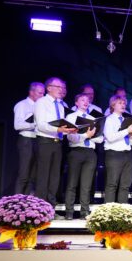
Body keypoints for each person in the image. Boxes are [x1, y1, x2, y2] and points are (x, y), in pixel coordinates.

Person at [34, 77, 77, 211]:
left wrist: (68, 130)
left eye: (62, 87)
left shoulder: (60, 105)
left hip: (57, 143)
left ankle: (51, 208)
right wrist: (58, 129)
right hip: (45, 142)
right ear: (49, 88)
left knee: (54, 177)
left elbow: (61, 126)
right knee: (43, 176)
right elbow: (41, 125)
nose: (61, 90)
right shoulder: (41, 102)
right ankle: (40, 210)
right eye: (58, 87)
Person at [64, 94, 103, 220]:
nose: (86, 102)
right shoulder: (71, 117)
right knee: (72, 183)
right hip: (76, 152)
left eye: (87, 100)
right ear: (76, 102)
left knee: (86, 185)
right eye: (82, 100)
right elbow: (71, 137)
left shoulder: (93, 119)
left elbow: (100, 139)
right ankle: (69, 212)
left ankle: (84, 211)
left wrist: (92, 135)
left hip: (90, 153)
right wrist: (86, 135)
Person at [103, 95, 132, 203]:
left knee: (125, 185)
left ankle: (122, 212)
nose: (123, 105)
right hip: (114, 154)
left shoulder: (127, 120)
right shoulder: (109, 119)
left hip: (127, 154)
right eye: (120, 103)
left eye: (124, 103)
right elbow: (110, 137)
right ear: (113, 105)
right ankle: (108, 213)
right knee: (112, 184)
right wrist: (127, 131)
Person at [13, 82, 45, 195]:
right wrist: (35, 125)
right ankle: (16, 203)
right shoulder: (22, 105)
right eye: (40, 93)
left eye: (43, 93)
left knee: (33, 175)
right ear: (31, 92)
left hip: (38, 140)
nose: (42, 95)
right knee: (24, 174)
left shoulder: (41, 106)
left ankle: (28, 204)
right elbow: (17, 125)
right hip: (26, 140)